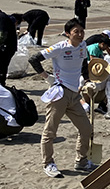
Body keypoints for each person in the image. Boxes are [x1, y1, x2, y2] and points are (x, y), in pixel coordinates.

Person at [28, 18, 96, 178]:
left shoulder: (83, 46)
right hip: (59, 93)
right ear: (67, 33)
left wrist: (87, 81)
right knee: (50, 131)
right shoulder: (60, 47)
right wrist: (47, 77)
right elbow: (34, 59)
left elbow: (84, 64)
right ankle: (48, 163)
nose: (80, 34)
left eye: (82, 31)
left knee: (86, 128)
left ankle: (81, 160)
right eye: (76, 32)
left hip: (74, 95)